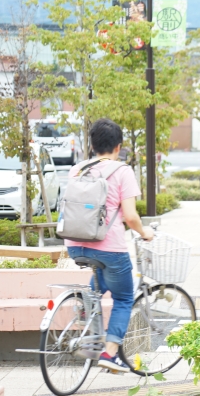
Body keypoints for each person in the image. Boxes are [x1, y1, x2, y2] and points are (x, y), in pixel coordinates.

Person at [65, 118, 154, 373]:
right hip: (109, 247)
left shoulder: (78, 169)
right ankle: (110, 353)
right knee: (124, 297)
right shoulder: (122, 171)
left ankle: (87, 318)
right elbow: (131, 217)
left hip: (75, 244)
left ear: (92, 146)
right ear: (118, 146)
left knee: (100, 285)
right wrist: (144, 232)